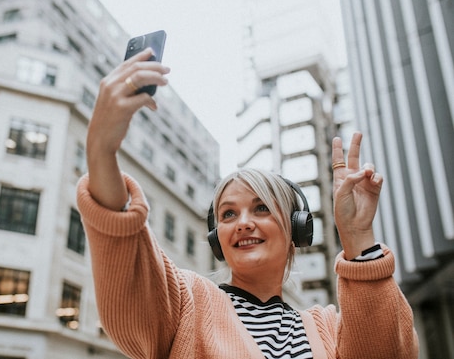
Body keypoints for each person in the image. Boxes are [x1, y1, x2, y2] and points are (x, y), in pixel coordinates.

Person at [76, 48, 418, 358]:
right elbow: (132, 272)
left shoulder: (330, 328)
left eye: (261, 208)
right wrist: (101, 152)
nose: (242, 222)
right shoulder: (188, 304)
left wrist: (358, 237)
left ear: (297, 227)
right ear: (217, 238)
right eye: (227, 214)